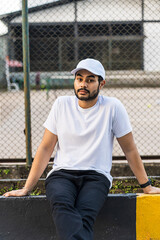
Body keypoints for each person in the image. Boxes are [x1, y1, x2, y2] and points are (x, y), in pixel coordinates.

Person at [3, 58, 160, 240]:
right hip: (62, 174)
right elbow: (46, 148)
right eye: (79, 78)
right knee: (62, 205)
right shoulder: (61, 105)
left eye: (90, 80)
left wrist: (146, 186)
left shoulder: (113, 107)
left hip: (96, 176)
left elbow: (130, 150)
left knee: (85, 213)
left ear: (102, 83)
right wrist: (26, 188)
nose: (83, 84)